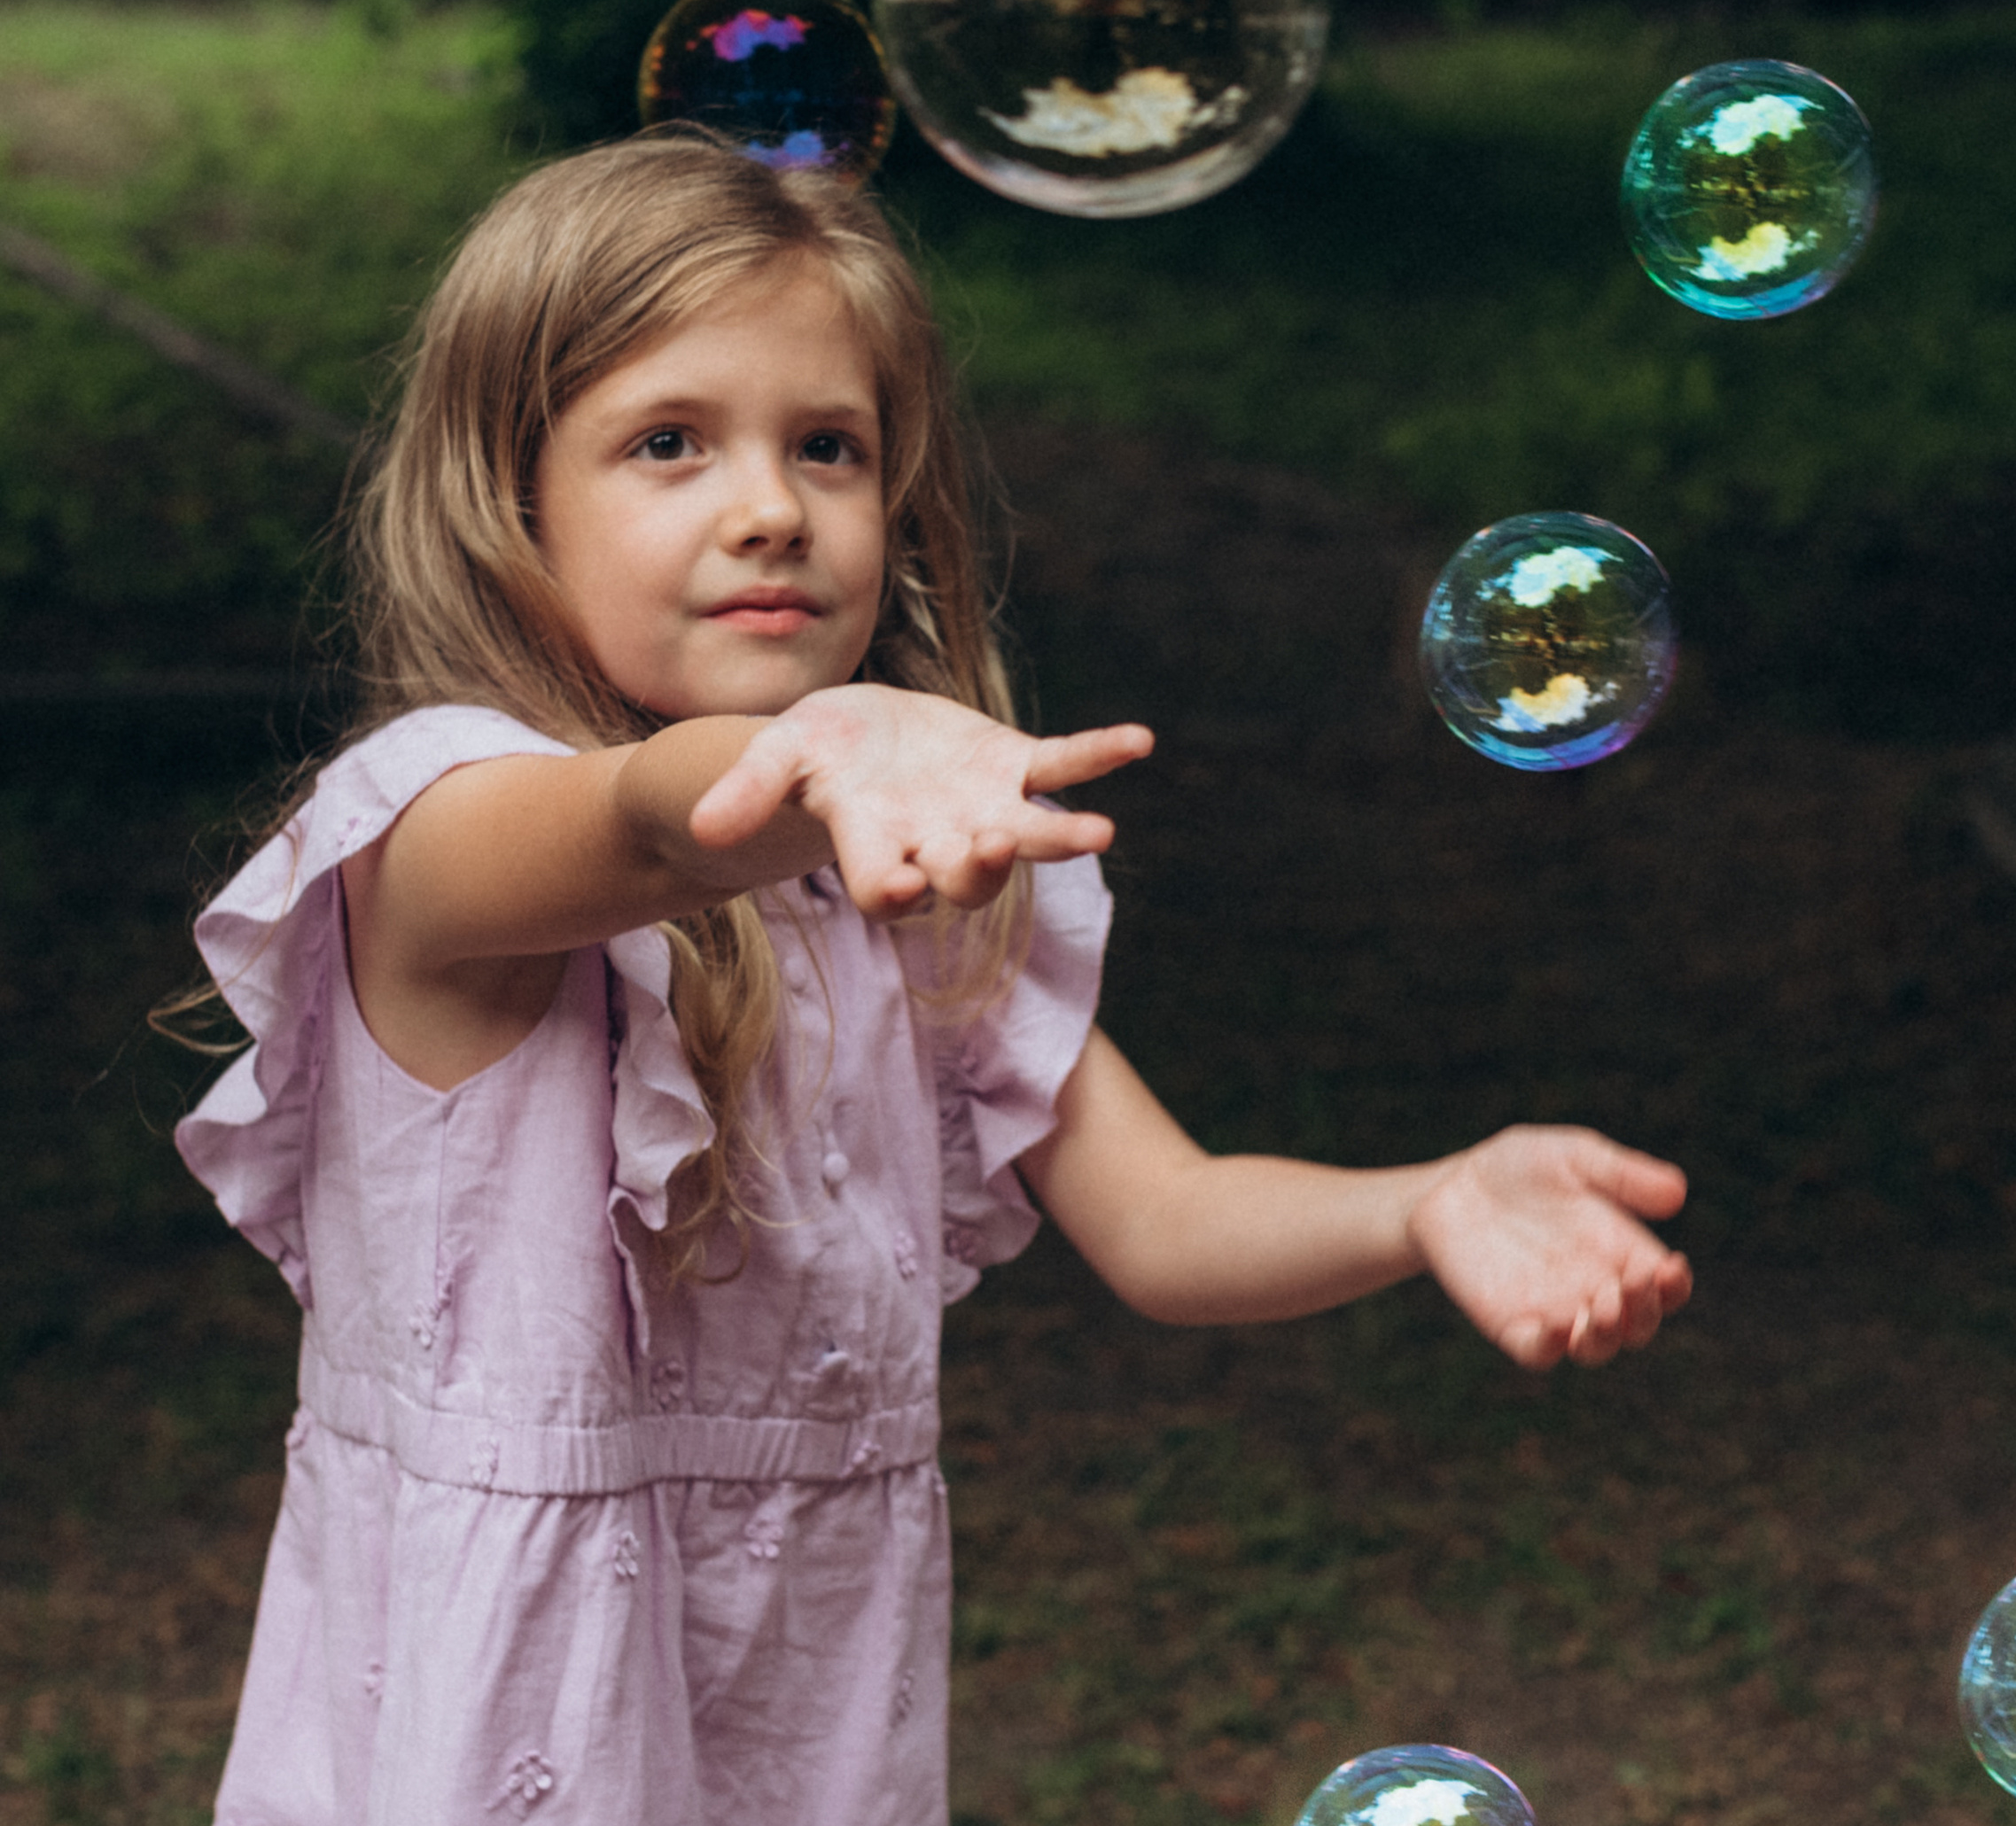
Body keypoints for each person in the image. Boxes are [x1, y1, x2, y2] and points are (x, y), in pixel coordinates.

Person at [170, 132, 1692, 1826]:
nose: (769, 507)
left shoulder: (906, 897)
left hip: (807, 1714)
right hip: (499, 1738)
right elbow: (653, 825)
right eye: (667, 443)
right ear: (506, 499)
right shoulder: (443, 839)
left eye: (829, 446)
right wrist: (814, 749)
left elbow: (1171, 1224)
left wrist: (1424, 1204)